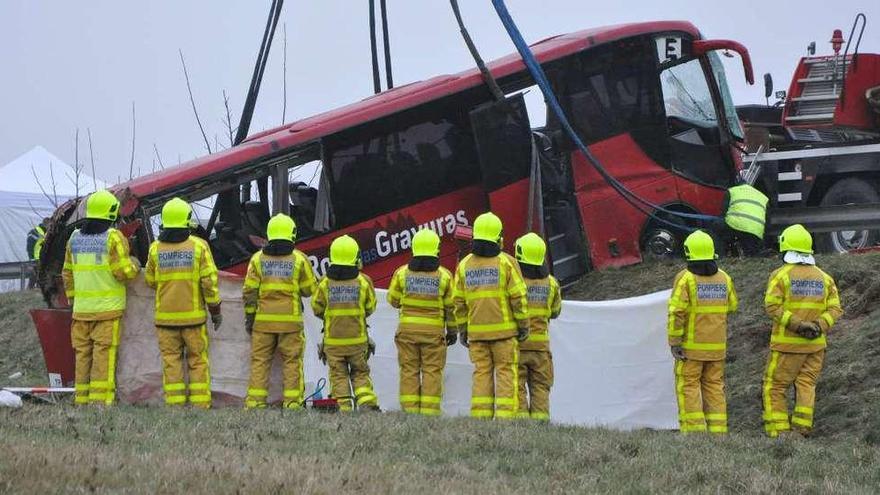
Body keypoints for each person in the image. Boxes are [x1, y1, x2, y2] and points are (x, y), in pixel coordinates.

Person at [762, 224, 843, 437]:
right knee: (806, 385)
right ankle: (801, 430)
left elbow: (772, 306)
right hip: (815, 346)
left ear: (785, 249)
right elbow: (835, 308)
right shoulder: (824, 278)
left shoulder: (780, 275)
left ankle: (778, 433)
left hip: (787, 345)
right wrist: (819, 325)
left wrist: (798, 325)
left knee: (775, 387)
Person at [61, 190, 140, 405]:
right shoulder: (113, 238)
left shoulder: (74, 238)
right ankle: (100, 402)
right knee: (103, 356)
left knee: (83, 356)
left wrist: (73, 300)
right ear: (112, 212)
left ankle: (82, 399)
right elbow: (123, 272)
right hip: (107, 310)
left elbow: (67, 273)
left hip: (81, 312)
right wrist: (135, 264)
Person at [145, 197, 222, 408]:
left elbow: (150, 281)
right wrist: (215, 311)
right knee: (197, 361)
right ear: (187, 219)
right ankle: (200, 405)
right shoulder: (199, 247)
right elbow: (209, 283)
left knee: (171, 362)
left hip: (165, 321)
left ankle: (175, 405)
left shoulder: (155, 249)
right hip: (194, 320)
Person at [453, 212, 529, 419]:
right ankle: (505, 419)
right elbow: (519, 298)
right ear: (499, 237)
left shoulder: (464, 265)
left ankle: (480, 418)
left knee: (481, 374)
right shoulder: (507, 263)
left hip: (477, 336)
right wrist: (524, 325)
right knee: (506, 373)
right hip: (505, 335)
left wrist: (463, 330)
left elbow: (458, 302)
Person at [242, 214, 316, 409]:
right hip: (290, 323)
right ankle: (292, 403)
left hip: (263, 323)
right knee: (292, 362)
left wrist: (250, 318)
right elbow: (310, 290)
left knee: (260, 362)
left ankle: (255, 403)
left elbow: (249, 292)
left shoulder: (257, 260)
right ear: (292, 233)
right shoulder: (299, 259)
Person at [667, 230, 738, 434]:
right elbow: (732, 305)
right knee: (715, 387)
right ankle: (718, 432)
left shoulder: (685, 279)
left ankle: (694, 433)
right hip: (717, 349)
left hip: (690, 349)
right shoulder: (724, 278)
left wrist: (674, 342)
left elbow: (676, 312)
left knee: (689, 387)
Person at [387, 229, 456, 416]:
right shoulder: (445, 276)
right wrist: (453, 331)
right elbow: (452, 308)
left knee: (409, 370)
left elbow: (392, 300)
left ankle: (409, 413)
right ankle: (429, 414)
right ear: (437, 249)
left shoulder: (401, 274)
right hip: (434, 335)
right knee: (432, 372)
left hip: (407, 333)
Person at [311, 234, 379, 412]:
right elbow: (370, 307)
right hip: (357, 342)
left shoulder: (325, 283)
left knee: (338, 377)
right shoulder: (363, 282)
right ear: (355, 256)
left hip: (333, 344)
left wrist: (331, 317)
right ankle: (367, 404)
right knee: (360, 374)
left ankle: (344, 409)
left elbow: (316, 308)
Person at [513, 232, 561, 421]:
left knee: (517, 386)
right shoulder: (551, 283)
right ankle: (541, 425)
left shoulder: (515, 282)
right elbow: (555, 312)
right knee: (541, 387)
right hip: (541, 349)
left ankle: (523, 426)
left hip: (518, 345)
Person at [721, 181, 769, 256]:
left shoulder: (732, 190)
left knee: (717, 227)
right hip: (756, 230)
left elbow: (723, 211)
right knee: (751, 250)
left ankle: (723, 252)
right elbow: (767, 220)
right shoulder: (763, 197)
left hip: (735, 225)